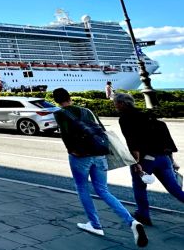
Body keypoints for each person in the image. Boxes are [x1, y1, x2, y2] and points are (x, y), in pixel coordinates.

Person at [53, 87, 148, 247]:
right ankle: (132, 222)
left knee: (82, 188)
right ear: (69, 97)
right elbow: (102, 131)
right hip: (99, 153)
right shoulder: (87, 111)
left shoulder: (60, 113)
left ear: (56, 101)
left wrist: (72, 150)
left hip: (80, 156)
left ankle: (95, 224)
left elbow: (65, 134)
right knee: (103, 190)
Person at [113, 92, 184, 226]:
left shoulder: (125, 118)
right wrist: (171, 159)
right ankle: (142, 214)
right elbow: (166, 139)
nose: (115, 106)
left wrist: (136, 163)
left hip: (145, 160)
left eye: (115, 103)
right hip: (163, 158)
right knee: (175, 189)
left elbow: (132, 142)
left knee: (139, 187)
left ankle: (143, 215)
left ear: (122, 104)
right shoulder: (149, 116)